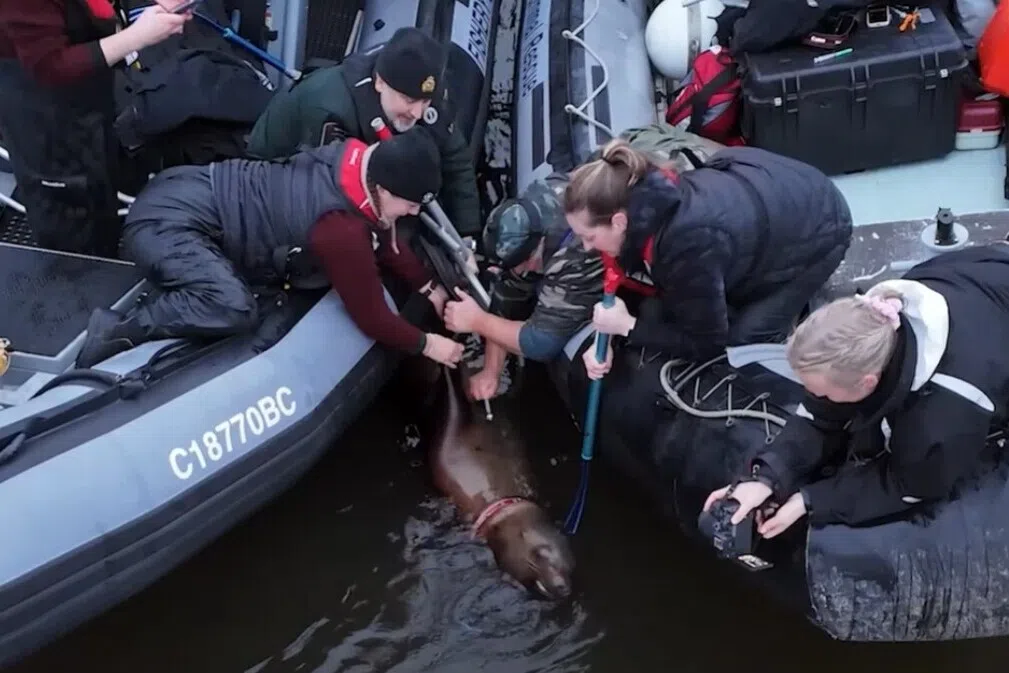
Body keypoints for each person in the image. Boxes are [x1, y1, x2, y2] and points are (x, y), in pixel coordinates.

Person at [75, 127, 464, 370]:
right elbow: (372, 316)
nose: (414, 212)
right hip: (167, 224)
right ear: (382, 188)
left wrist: (429, 286)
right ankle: (119, 330)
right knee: (234, 307)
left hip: (185, 189)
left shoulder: (351, 157)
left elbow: (386, 236)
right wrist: (428, 345)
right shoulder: (341, 230)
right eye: (410, 204)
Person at [702, 244, 1009, 538]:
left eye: (823, 393)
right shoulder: (875, 320)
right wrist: (767, 477)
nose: (815, 398)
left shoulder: (947, 412)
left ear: (868, 382)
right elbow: (820, 415)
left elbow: (908, 484)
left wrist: (811, 500)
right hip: (979, 279)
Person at [443, 122, 726, 400]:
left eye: (519, 267)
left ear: (534, 254)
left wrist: (477, 321)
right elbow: (508, 293)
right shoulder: (542, 198)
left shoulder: (576, 251)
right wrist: (492, 371)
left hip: (708, 209)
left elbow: (541, 343)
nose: (591, 244)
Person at [570, 139, 853, 381]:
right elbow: (623, 276)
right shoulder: (646, 191)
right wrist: (605, 334)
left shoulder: (686, 244)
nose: (586, 247)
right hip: (780, 190)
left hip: (823, 230)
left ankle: (789, 322)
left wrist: (627, 327)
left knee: (742, 342)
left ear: (619, 222)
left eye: (589, 237)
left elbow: (707, 344)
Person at [245, 26, 482, 236]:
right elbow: (324, 194)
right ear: (380, 83)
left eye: (425, 102)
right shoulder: (331, 113)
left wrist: (467, 234)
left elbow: (455, 157)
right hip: (274, 176)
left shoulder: (418, 93)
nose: (418, 113)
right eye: (409, 100)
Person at [0, 1, 191, 256]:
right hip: (48, 122)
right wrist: (138, 36)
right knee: (71, 224)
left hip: (91, 99)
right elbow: (49, 67)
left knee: (102, 191)